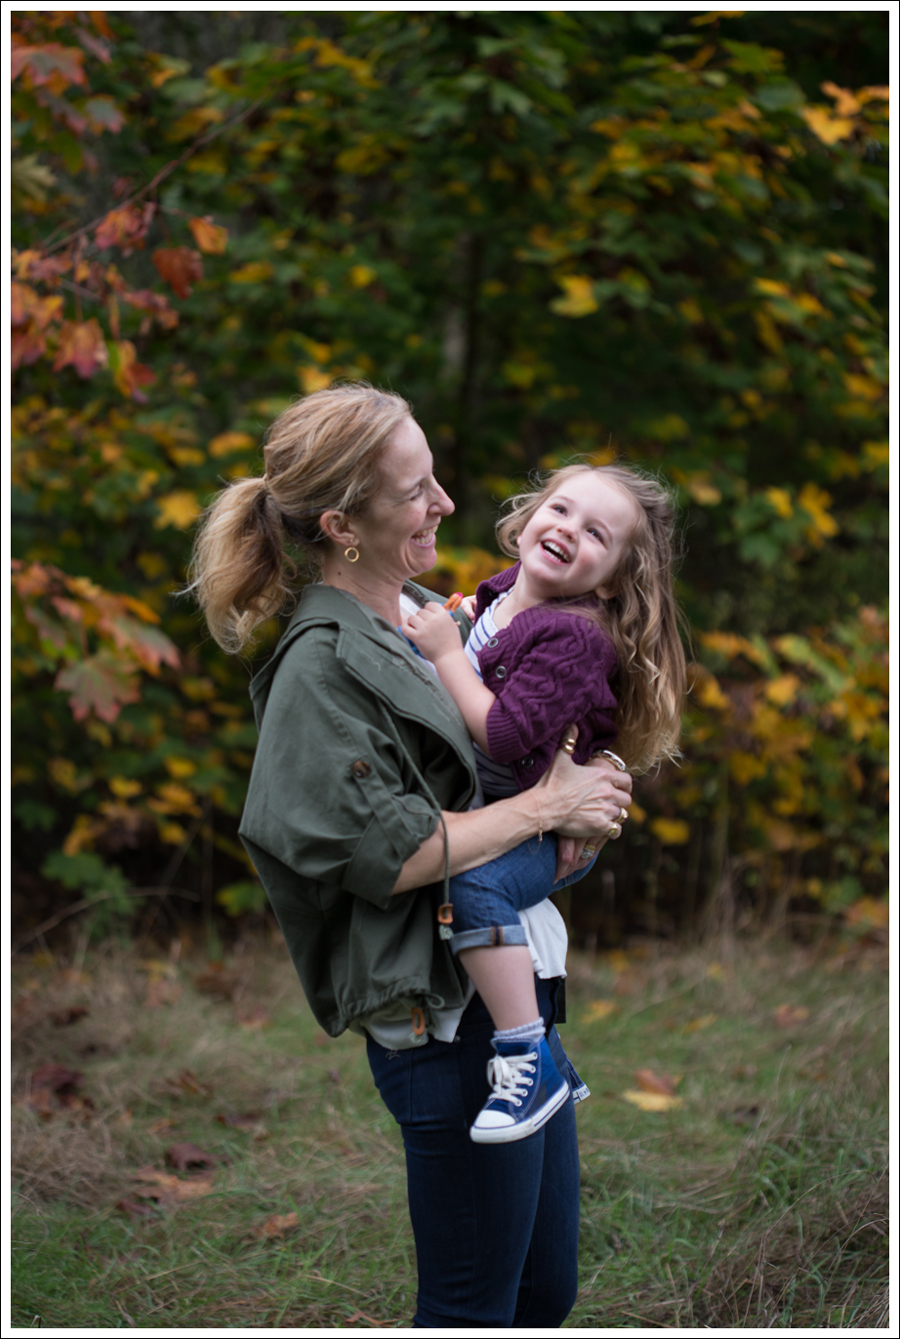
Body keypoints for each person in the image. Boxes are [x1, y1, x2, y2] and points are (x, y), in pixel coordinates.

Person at [190, 384, 633, 1329]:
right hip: (442, 1028)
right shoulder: (319, 664)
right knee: (473, 1309)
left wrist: (592, 788)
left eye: (436, 477)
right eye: (417, 490)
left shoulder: (432, 613)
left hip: (516, 1009)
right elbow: (386, 854)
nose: (445, 503)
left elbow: (516, 743)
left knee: (543, 1294)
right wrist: (549, 807)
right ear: (344, 524)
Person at [401, 463, 686, 1144]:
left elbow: (502, 736)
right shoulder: (501, 592)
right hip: (524, 808)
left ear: (613, 578)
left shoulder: (574, 634)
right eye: (559, 509)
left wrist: (444, 654)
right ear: (529, 516)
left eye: (596, 533)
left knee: (472, 887)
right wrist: (460, 623)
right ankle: (552, 1058)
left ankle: (526, 1054)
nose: (567, 530)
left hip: (540, 826)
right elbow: (479, 636)